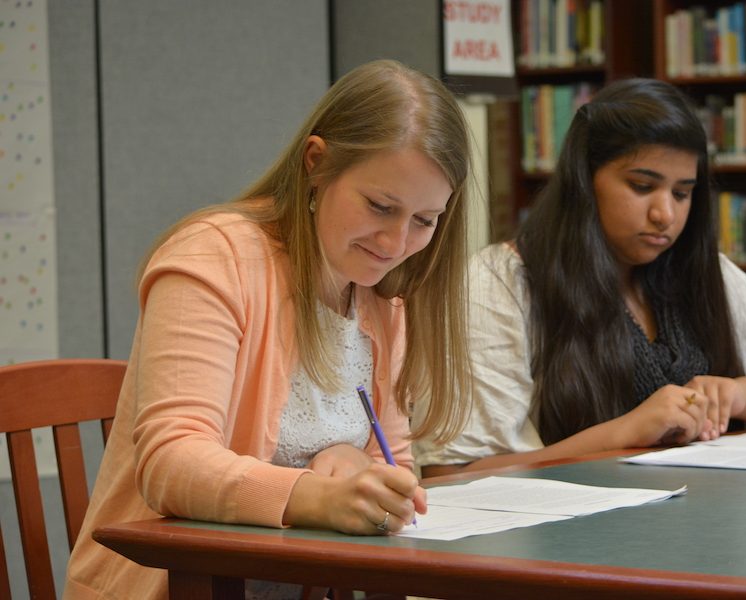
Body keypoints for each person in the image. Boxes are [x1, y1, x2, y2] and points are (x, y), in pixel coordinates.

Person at [64, 59, 473, 599]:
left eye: (424, 220)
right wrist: (317, 496)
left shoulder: (380, 297)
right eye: (380, 206)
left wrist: (357, 467)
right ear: (316, 163)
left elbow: (392, 464)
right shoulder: (215, 258)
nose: (397, 244)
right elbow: (171, 462)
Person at [415, 77, 746, 477]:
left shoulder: (697, 268)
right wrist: (626, 433)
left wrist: (738, 395)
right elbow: (455, 475)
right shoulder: (499, 283)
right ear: (585, 181)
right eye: (642, 186)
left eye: (682, 193)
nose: (665, 214)